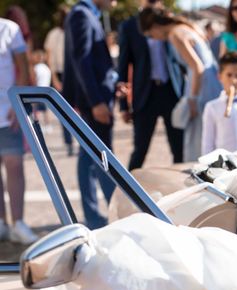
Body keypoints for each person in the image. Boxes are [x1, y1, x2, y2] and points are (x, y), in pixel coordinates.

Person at [139, 6, 222, 162]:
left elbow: (197, 67)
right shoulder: (186, 27)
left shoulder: (175, 34)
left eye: (151, 35)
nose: (154, 38)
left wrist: (193, 98)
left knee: (198, 139)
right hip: (212, 83)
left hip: (201, 87)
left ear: (156, 27)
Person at [63, 0, 117, 230]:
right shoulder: (82, 15)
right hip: (93, 102)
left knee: (90, 158)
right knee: (100, 157)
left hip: (95, 99)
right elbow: (81, 60)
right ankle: (108, 213)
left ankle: (98, 216)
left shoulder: (86, 14)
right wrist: (96, 101)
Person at [117, 0, 184, 171]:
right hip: (145, 95)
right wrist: (124, 106)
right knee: (140, 149)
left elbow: (182, 59)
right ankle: (129, 191)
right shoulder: (129, 26)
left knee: (180, 148)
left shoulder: (170, 21)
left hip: (172, 92)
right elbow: (123, 66)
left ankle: (184, 192)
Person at [0, 17, 37, 244]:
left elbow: (24, 68)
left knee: (14, 165)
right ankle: (2, 223)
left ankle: (19, 222)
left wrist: (17, 103)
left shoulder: (9, 28)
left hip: (7, 110)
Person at [44, 6, 73, 155]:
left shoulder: (73, 31)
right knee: (64, 111)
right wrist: (54, 78)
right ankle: (68, 142)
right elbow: (49, 59)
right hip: (60, 74)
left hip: (74, 74)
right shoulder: (54, 34)